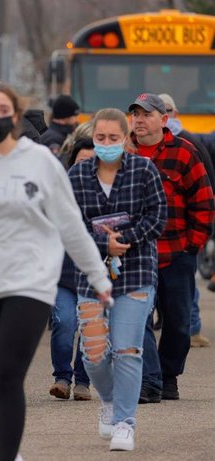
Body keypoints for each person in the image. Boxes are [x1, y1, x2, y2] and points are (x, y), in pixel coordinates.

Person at [0, 82, 112, 461]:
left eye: (3, 110)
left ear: (15, 116)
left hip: (29, 281)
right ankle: (10, 451)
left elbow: (70, 225)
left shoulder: (40, 161)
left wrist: (98, 277)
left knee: (8, 374)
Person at [69, 107, 167, 451]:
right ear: (92, 138)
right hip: (92, 273)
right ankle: (109, 400)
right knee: (94, 355)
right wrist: (102, 242)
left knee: (127, 349)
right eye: (100, 138)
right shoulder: (78, 175)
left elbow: (158, 217)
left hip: (137, 269)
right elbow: (69, 225)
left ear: (126, 138)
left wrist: (125, 240)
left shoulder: (144, 170)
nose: (107, 144)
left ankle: (126, 422)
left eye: (113, 138)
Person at [130, 93, 215, 404]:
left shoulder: (185, 152)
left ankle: (168, 376)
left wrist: (192, 246)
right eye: (135, 114)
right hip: (135, 255)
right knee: (137, 319)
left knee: (179, 322)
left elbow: (204, 201)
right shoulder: (124, 152)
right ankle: (148, 379)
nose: (139, 120)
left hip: (175, 252)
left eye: (146, 114)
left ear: (163, 120)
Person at [158, 93, 213, 348]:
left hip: (181, 238)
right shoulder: (136, 146)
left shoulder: (189, 142)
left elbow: (206, 187)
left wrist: (195, 240)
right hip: (152, 241)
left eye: (166, 109)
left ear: (173, 113)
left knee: (184, 293)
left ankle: (192, 329)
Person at [48, 133, 96, 402]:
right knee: (64, 322)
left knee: (90, 329)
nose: (85, 166)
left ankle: (83, 381)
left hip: (93, 276)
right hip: (63, 276)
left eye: (91, 161)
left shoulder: (106, 195)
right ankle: (62, 378)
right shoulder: (58, 193)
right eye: (80, 160)